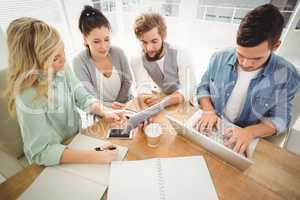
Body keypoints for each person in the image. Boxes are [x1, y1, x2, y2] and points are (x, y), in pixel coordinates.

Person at [5, 17, 123, 166]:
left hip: (76, 141)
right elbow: (41, 152)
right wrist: (95, 156)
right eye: (55, 58)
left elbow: (82, 97)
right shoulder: (26, 94)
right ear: (34, 63)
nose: (64, 60)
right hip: (52, 161)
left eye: (63, 52)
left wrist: (104, 111)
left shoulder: (61, 66)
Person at [196, 4, 300, 155]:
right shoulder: (219, 57)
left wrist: (250, 132)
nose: (245, 64)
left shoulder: (287, 75)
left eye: (256, 58)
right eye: (240, 54)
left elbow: (281, 118)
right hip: (214, 127)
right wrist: (208, 110)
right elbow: (203, 87)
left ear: (276, 45)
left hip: (248, 140)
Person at [131, 13, 196, 108]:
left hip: (184, 103)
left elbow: (189, 88)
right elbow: (143, 86)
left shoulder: (181, 53)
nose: (149, 48)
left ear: (163, 37)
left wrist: (164, 101)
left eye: (154, 41)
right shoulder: (137, 59)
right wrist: (145, 107)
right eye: (144, 42)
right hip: (161, 99)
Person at [73, 5, 133, 109]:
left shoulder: (118, 53)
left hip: (126, 105)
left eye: (106, 39)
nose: (104, 46)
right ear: (85, 38)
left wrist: (119, 106)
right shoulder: (79, 61)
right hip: (102, 111)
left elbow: (128, 81)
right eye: (96, 41)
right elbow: (88, 96)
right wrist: (108, 111)